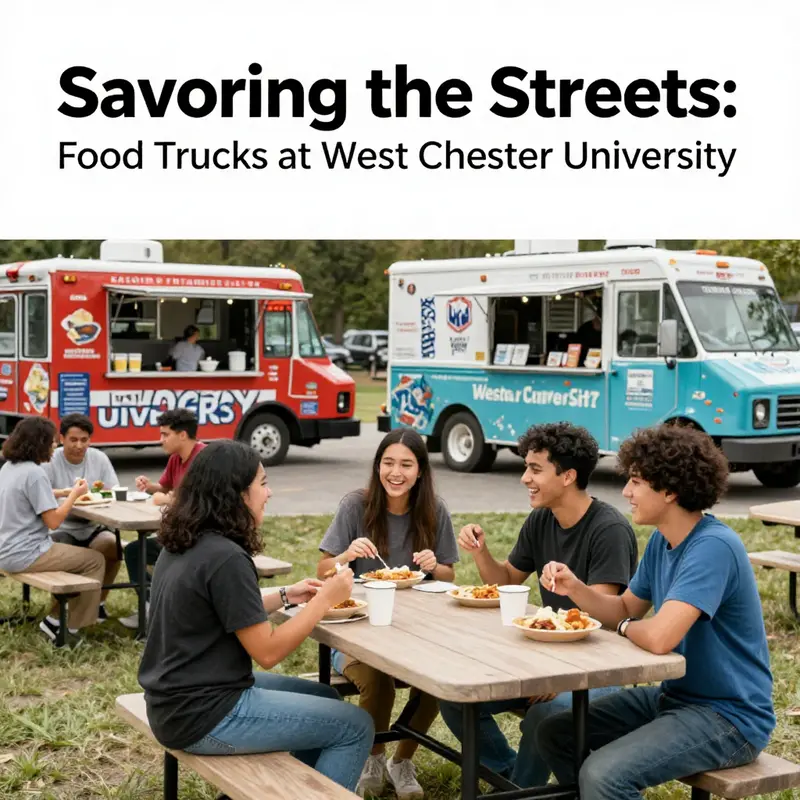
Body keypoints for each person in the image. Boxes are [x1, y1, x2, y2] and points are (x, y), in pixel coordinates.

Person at [536, 424, 775, 800]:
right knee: (555, 733)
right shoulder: (663, 541)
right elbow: (624, 609)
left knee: (603, 775)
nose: (626, 492)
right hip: (677, 698)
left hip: (730, 718)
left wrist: (628, 625)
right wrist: (575, 589)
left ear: (669, 490)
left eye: (635, 481)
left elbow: (661, 638)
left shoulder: (713, 547)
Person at [138, 440, 373, 792]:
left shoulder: (184, 543)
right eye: (261, 483)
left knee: (327, 699)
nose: (269, 492)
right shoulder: (226, 557)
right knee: (356, 726)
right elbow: (267, 653)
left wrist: (285, 595)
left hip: (175, 703)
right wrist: (323, 601)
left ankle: (298, 791)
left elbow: (222, 607)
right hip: (204, 715)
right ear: (235, 494)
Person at [439, 422, 638, 788]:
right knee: (455, 700)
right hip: (547, 661)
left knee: (545, 715)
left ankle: (523, 792)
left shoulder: (609, 529)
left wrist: (554, 676)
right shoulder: (541, 519)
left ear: (568, 476)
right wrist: (481, 552)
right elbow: (505, 582)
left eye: (535, 469)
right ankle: (507, 776)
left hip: (601, 670)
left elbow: (598, 623)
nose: (524, 479)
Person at [317, 428, 458, 800]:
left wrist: (433, 564)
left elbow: (448, 574)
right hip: (358, 630)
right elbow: (323, 569)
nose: (396, 473)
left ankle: (402, 759)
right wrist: (346, 556)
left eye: (406, 465)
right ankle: (375, 757)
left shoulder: (433, 510)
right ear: (378, 466)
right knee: (377, 680)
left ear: (421, 471)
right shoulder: (355, 506)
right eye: (388, 463)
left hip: (415, 630)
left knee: (441, 679)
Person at [0, 417, 104, 644]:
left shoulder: (10, 467)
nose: (54, 446)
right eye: (51, 442)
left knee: (75, 553)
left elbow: (30, 494)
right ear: (39, 443)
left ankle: (54, 620)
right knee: (95, 560)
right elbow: (54, 521)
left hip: (6, 549)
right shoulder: (35, 473)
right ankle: (72, 628)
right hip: (26, 553)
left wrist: (63, 492)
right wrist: (74, 495)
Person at [120, 408, 206, 629]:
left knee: (153, 553)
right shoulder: (176, 459)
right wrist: (150, 487)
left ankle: (160, 612)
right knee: (134, 550)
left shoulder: (204, 460)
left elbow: (197, 499)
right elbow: (165, 488)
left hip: (200, 540)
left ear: (183, 435)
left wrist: (166, 499)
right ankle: (150, 608)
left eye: (165, 435)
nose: (161, 440)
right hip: (179, 534)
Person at [43, 413, 121, 623]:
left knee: (113, 546)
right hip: (61, 527)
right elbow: (44, 496)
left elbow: (112, 491)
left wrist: (99, 494)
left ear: (90, 440)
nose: (79, 445)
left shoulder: (99, 458)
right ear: (62, 439)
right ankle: (59, 613)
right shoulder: (50, 460)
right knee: (68, 555)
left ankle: (98, 604)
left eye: (84, 440)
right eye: (73, 440)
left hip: (93, 525)